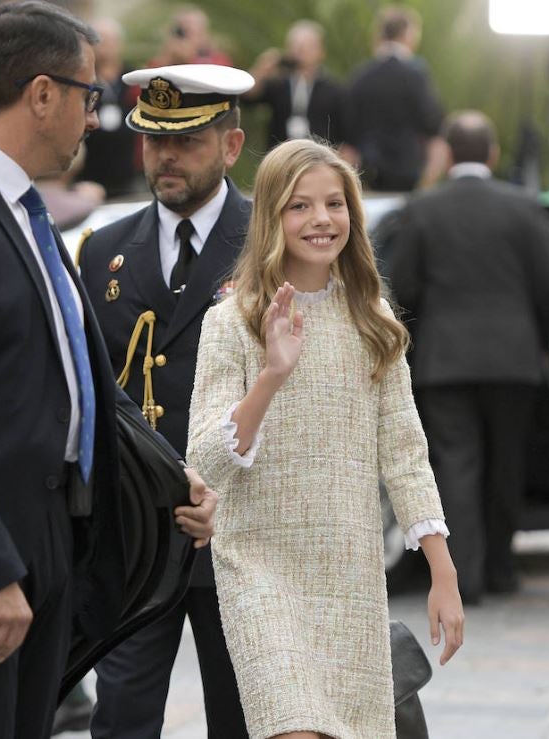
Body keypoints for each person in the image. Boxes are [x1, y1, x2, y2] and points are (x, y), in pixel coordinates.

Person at [0, 4, 216, 736]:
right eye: (90, 96)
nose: (94, 119)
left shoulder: (22, 210)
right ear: (42, 94)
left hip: (46, 543)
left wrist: (171, 476)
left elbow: (81, 373)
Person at [186, 138, 464, 738]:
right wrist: (272, 374)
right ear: (271, 217)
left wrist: (444, 574)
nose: (320, 220)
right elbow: (205, 461)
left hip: (349, 576)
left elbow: (406, 455)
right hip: (258, 569)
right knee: (293, 727)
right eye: (299, 206)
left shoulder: (374, 322)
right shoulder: (229, 323)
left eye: (334, 204)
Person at [77, 64, 253, 738]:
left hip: (235, 532)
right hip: (136, 537)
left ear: (231, 146)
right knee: (120, 719)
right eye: (155, 142)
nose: (167, 158)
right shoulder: (104, 250)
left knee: (240, 718)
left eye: (188, 142)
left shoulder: (270, 240)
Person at [385, 111, 549, 603]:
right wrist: (538, 342)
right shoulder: (524, 207)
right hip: (513, 359)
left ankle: (468, 579)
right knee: (506, 464)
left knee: (457, 467)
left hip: (445, 362)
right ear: (494, 153)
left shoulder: (423, 208)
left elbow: (404, 290)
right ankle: (503, 570)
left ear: (446, 151)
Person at [343, 5, 445, 192]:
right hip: (408, 175)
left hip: (370, 175)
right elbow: (434, 128)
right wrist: (428, 181)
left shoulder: (361, 76)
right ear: (408, 34)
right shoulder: (416, 75)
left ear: (379, 34)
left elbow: (348, 139)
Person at [243, 20, 348, 149]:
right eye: (295, 46)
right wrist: (261, 70)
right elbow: (247, 97)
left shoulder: (333, 90)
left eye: (307, 46)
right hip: (281, 154)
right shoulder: (279, 83)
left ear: (321, 51)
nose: (300, 52)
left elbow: (344, 131)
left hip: (319, 156)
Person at [76, 18, 143, 198]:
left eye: (110, 40)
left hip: (128, 174)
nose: (105, 46)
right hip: (88, 175)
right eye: (99, 40)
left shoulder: (133, 79)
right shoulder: (82, 80)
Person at [149, 6, 233, 68]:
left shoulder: (218, 60)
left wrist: (188, 60)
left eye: (190, 31)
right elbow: (142, 88)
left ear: (204, 34)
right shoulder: (161, 60)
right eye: (181, 32)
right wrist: (166, 61)